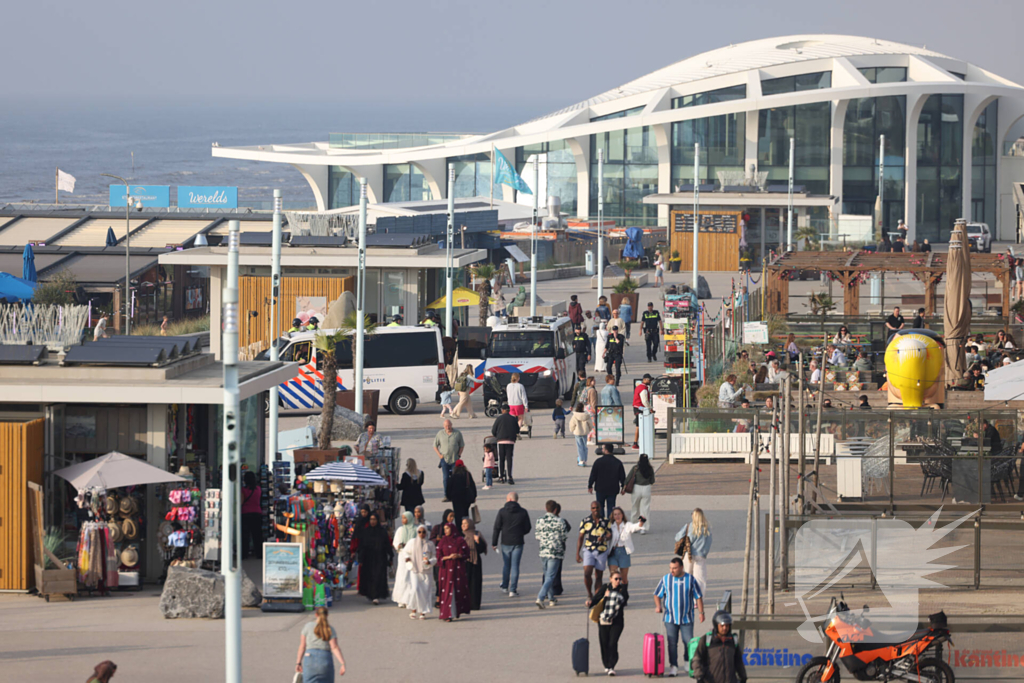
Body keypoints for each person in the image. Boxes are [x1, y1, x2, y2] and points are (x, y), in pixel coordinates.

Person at [654, 557, 706, 678]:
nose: (672, 570)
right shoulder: (666, 579)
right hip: (670, 618)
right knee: (672, 643)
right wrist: (658, 606)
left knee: (688, 642)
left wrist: (701, 613)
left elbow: (698, 596)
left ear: (681, 567)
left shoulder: (690, 579)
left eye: (675, 568)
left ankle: (687, 662)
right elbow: (657, 594)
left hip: (687, 617)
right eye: (670, 568)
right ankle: (673, 666)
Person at [588, 571, 630, 676]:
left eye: (619, 579)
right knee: (604, 643)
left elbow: (624, 601)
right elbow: (596, 599)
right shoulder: (605, 588)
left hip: (617, 621)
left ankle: (611, 666)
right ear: (610, 579)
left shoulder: (622, 589)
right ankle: (606, 665)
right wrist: (590, 603)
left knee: (612, 643)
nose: (618, 581)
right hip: (603, 620)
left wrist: (624, 586)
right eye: (616, 579)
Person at [491, 491, 531, 597]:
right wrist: (520, 533)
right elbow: (528, 528)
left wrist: (494, 543)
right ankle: (513, 590)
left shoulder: (502, 511)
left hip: (505, 541)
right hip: (518, 541)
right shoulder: (523, 512)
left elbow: (496, 528)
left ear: (508, 499)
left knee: (506, 565)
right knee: (515, 566)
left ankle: (504, 586)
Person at [534, 499, 571, 609]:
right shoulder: (560, 521)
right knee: (550, 576)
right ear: (555, 510)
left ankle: (551, 598)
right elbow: (564, 537)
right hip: (555, 552)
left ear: (546, 508)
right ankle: (540, 597)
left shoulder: (540, 520)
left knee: (547, 575)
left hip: (543, 551)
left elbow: (537, 536)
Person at [692, 610, 747, 683]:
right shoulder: (706, 640)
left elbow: (738, 661)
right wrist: (699, 676)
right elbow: (697, 659)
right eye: (722, 625)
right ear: (716, 625)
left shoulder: (733, 641)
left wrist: (743, 677)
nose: (725, 628)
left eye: (727, 625)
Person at [295, 608, 347, 681]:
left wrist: (298, 663)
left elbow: (302, 646)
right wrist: (342, 663)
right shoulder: (330, 629)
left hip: (309, 659)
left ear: (316, 614)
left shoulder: (307, 626)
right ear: (327, 615)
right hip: (325, 659)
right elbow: (334, 647)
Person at [577, 500, 611, 600]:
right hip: (589, 550)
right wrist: (577, 553)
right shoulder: (585, 521)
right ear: (591, 509)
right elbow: (581, 537)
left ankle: (597, 597)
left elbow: (610, 534)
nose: (595, 510)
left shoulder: (606, 521)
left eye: (597, 507)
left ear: (600, 508)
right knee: (587, 573)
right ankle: (589, 594)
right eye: (593, 508)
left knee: (598, 576)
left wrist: (604, 538)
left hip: (601, 550)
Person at [436, 523, 471, 621]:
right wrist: (448, 557)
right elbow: (438, 556)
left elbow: (467, 553)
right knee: (447, 590)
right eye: (444, 529)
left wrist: (458, 556)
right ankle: (447, 614)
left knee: (456, 590)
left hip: (457, 569)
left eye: (447, 528)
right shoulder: (443, 541)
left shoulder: (460, 540)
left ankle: (455, 612)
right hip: (446, 570)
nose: (445, 531)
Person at [401, 525, 436, 619]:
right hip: (415, 570)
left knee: (425, 591)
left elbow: (435, 556)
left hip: (426, 571)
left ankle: (423, 612)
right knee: (415, 589)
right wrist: (407, 558)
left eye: (423, 532)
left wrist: (430, 561)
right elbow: (405, 552)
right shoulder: (412, 542)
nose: (421, 534)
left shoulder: (430, 544)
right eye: (419, 532)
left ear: (426, 533)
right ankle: (414, 609)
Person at [675, 508, 712, 594]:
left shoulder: (689, 526)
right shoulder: (707, 528)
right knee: (700, 579)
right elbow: (709, 542)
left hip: (688, 554)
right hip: (701, 555)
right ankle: (698, 598)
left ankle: (686, 595)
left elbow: (677, 537)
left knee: (686, 576)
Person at [357, 513, 392, 605]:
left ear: (377, 520)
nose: (372, 521)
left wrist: (391, 556)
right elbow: (362, 546)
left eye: (374, 519)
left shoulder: (382, 532)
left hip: (380, 557)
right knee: (370, 576)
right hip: (368, 558)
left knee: (378, 576)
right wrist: (360, 558)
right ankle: (372, 595)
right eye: (371, 519)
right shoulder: (366, 532)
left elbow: (387, 545)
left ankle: (377, 595)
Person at [607, 506, 645, 585]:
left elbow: (635, 527)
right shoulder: (610, 525)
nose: (617, 516)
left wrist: (641, 523)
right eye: (615, 514)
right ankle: (614, 591)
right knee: (614, 576)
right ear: (613, 516)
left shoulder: (627, 525)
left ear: (622, 515)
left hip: (624, 552)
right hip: (613, 552)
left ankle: (624, 592)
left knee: (623, 579)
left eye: (619, 514)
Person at [589, 443, 625, 518]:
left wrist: (590, 485)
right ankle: (610, 522)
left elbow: (593, 475)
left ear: (606, 450)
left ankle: (601, 522)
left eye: (603, 448)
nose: (602, 450)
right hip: (613, 489)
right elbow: (622, 476)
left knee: (600, 507)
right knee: (611, 507)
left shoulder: (598, 461)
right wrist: (623, 487)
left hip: (600, 488)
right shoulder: (617, 462)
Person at [434, 419, 465, 499]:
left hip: (455, 459)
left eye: (449, 425)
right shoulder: (440, 434)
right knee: (446, 478)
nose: (448, 427)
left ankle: (456, 495)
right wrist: (439, 455)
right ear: (443, 426)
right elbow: (435, 446)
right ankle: (446, 495)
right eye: (446, 426)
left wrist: (459, 454)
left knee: (456, 478)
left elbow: (462, 445)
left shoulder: (457, 433)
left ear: (451, 425)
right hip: (444, 460)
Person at [391, 511, 417, 607]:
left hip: (412, 556)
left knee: (411, 577)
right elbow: (395, 542)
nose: (403, 520)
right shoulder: (400, 530)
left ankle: (410, 599)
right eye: (402, 518)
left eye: (405, 518)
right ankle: (401, 599)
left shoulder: (415, 530)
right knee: (402, 577)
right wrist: (399, 545)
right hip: (402, 556)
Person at [461, 517, 487, 611]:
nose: (463, 525)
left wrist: (477, 541)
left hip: (475, 561)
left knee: (475, 583)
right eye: (462, 524)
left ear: (470, 525)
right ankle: (465, 604)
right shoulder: (461, 535)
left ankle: (475, 604)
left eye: (465, 523)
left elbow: (482, 549)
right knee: (465, 582)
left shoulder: (476, 534)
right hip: (464, 561)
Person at [491, 404, 520, 485]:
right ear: (509, 410)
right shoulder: (513, 419)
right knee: (509, 458)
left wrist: (497, 436)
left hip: (501, 440)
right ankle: (510, 477)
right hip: (510, 441)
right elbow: (517, 430)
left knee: (501, 459)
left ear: (502, 410)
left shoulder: (499, 418)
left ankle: (501, 477)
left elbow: (493, 430)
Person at [626, 453, 656, 529]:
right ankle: (644, 527)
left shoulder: (635, 468)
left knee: (635, 507)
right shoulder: (650, 469)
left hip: (637, 488)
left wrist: (624, 486)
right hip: (646, 488)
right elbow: (652, 481)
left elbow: (628, 478)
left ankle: (634, 525)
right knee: (645, 509)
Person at [445, 459, 477, 527]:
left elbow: (448, 487)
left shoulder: (453, 476)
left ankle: (459, 528)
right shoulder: (467, 474)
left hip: (456, 499)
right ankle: (466, 526)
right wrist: (474, 496)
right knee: (465, 513)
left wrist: (449, 497)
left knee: (458, 514)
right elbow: (472, 485)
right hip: (466, 498)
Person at [240, 471, 263, 559]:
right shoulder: (258, 489)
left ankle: (244, 554)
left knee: (245, 536)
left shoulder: (243, 490)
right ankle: (259, 553)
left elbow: (241, 502)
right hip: (257, 513)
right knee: (257, 535)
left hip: (245, 513)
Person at [632, 373, 653, 449]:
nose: (650, 382)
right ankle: (636, 443)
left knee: (638, 425)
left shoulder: (639, 387)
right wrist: (650, 408)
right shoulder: (643, 389)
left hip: (636, 407)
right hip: (640, 408)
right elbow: (645, 401)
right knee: (640, 426)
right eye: (649, 380)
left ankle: (636, 442)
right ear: (645, 380)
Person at [570, 403, 593, 467]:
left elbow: (572, 424)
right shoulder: (586, 416)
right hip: (585, 433)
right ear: (583, 408)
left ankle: (581, 460)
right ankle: (585, 460)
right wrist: (589, 430)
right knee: (584, 447)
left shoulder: (574, 416)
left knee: (580, 447)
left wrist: (572, 430)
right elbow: (590, 424)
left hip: (577, 433)